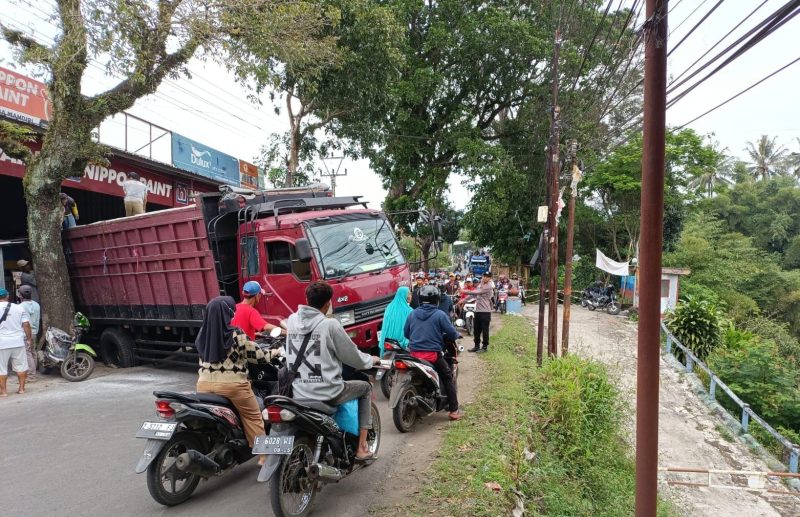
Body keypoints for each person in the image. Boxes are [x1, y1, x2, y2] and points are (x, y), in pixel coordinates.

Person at [286, 281, 381, 460]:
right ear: (328, 303)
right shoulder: (330, 325)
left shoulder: (291, 320)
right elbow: (353, 357)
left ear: (306, 299)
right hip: (327, 391)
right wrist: (370, 360)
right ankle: (362, 447)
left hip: (298, 391)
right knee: (365, 388)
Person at [195, 296, 283, 464]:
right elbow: (258, 357)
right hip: (233, 386)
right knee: (253, 416)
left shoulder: (202, 335)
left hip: (203, 385)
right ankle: (264, 457)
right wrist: (276, 352)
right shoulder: (236, 334)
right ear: (227, 313)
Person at [403, 285, 462, 420]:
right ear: (436, 299)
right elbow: (451, 333)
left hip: (413, 355)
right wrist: (457, 334)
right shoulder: (440, 314)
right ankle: (453, 410)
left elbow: (406, 333)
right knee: (448, 376)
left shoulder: (412, 313)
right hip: (432, 355)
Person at [0, 288, 33, 396]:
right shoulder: (18, 308)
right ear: (7, 296)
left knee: (1, 368)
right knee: (21, 366)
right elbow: (26, 325)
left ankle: (4, 392)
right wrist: (29, 339)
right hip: (18, 342)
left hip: (2, 343)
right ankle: (22, 389)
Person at [378, 286, 413, 355]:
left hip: (387, 342)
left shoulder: (389, 307)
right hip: (403, 345)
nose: (410, 296)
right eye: (408, 294)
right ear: (404, 296)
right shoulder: (409, 311)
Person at [469, 271, 495, 353]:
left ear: (490, 278)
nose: (485, 277)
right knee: (476, 330)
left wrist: (464, 291)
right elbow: (473, 294)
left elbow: (478, 292)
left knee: (485, 330)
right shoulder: (480, 284)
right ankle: (476, 346)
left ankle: (484, 347)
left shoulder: (489, 286)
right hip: (478, 310)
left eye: (487, 276)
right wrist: (463, 300)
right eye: (484, 276)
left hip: (485, 312)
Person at [18, 285, 40, 380]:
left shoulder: (20, 307)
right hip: (34, 332)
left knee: (28, 354)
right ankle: (33, 372)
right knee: (33, 352)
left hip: (25, 333)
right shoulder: (36, 305)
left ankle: (31, 376)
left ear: (21, 295)